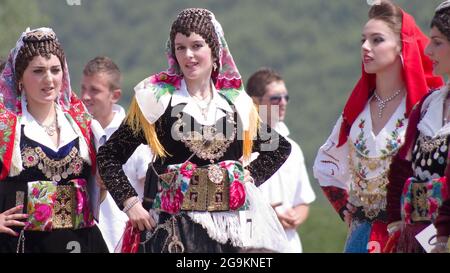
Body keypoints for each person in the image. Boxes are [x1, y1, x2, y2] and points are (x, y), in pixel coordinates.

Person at [97, 8, 291, 253]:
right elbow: (109, 154)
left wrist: (249, 176)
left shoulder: (238, 104)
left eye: (196, 45)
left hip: (229, 235)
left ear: (215, 50)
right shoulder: (156, 101)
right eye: (180, 47)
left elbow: (280, 147)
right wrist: (130, 203)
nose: (188, 55)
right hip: (173, 234)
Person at [313, 0, 443, 253]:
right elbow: (326, 164)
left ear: (401, 47)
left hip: (409, 236)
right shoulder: (356, 112)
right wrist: (343, 204)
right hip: (361, 236)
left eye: (377, 40)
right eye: (363, 39)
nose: (365, 47)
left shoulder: (426, 110)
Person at [0, 27, 108, 252]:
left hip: (81, 240)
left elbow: (97, 191)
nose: (49, 79)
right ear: (20, 76)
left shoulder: (83, 125)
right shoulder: (6, 128)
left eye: (55, 70)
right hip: (23, 244)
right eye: (38, 71)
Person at [386, 0, 450, 253]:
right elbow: (403, 164)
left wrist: (443, 235)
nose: (427, 51)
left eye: (437, 42)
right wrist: (395, 222)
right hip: (418, 237)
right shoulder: (428, 105)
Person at [80, 56, 152, 252]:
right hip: (87, 239)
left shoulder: (132, 136)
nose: (85, 96)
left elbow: (150, 192)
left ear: (115, 95)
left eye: (95, 90)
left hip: (123, 238)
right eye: (83, 89)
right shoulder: (77, 133)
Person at [246, 67, 316, 253]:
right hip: (252, 245)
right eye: (276, 98)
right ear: (255, 101)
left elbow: (303, 201)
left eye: (286, 97)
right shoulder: (241, 146)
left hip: (289, 245)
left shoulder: (293, 148)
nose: (283, 103)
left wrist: (295, 217)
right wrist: (268, 213)